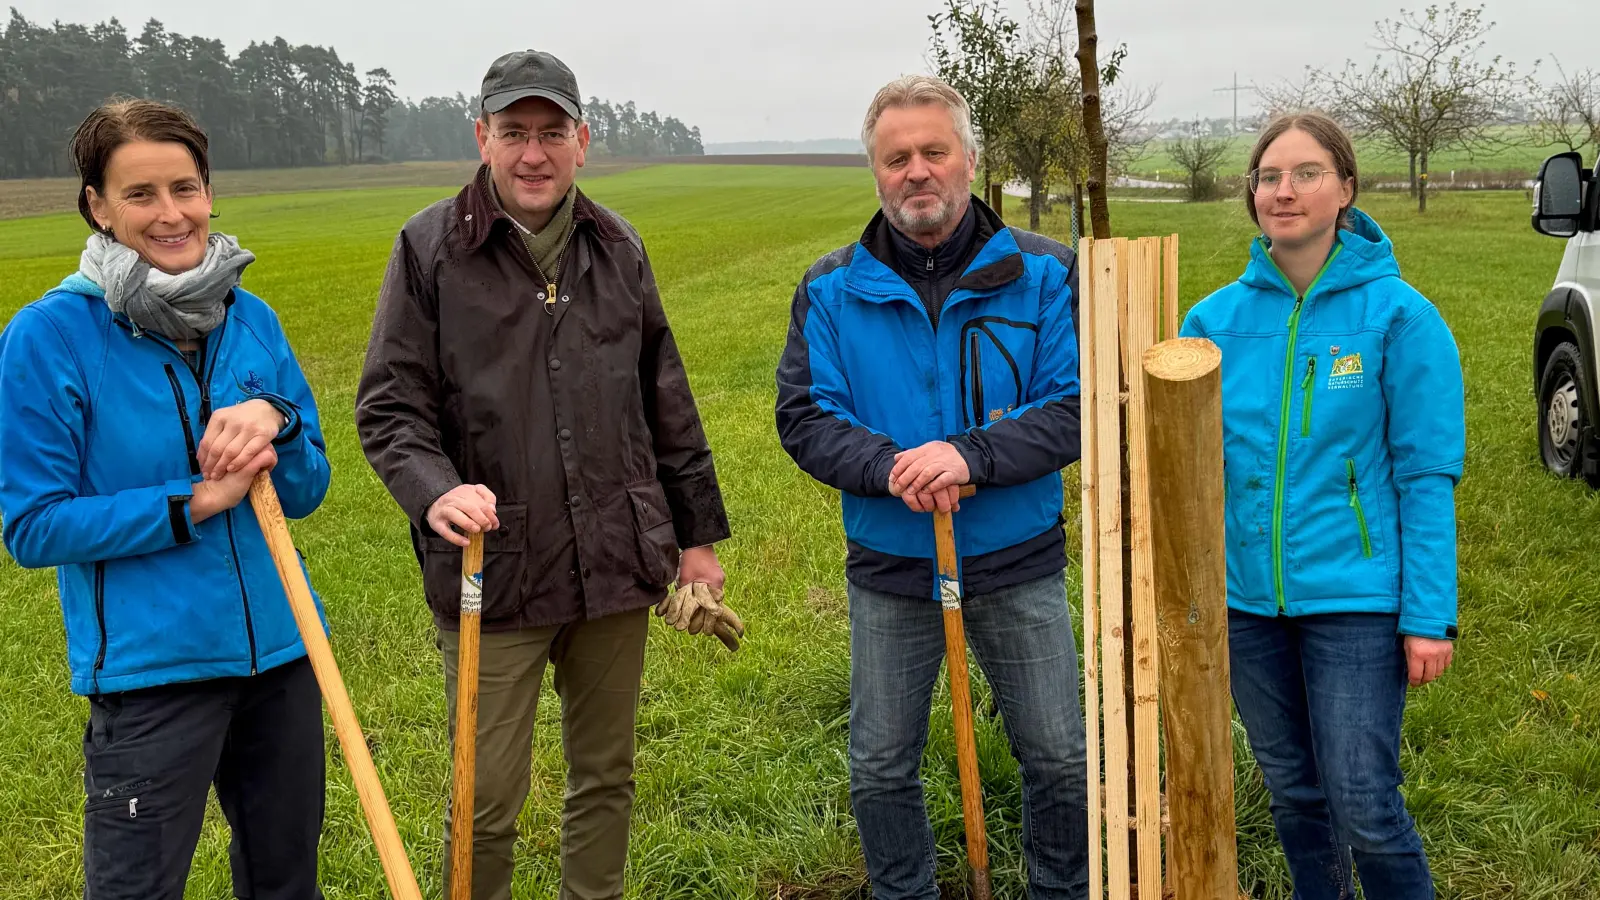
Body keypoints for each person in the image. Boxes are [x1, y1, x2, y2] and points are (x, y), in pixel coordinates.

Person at [355, 49, 736, 900]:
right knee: (486, 800)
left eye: (552, 132)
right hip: (499, 569)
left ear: (583, 140)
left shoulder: (617, 244)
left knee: (606, 777)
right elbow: (389, 407)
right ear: (482, 138)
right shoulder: (430, 249)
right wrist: (434, 489)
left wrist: (697, 539)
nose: (534, 153)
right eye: (515, 132)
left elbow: (664, 396)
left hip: (615, 560)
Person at [0, 99, 331, 899]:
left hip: (284, 659)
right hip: (154, 678)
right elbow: (32, 526)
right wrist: (193, 502)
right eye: (141, 194)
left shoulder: (251, 318)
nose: (171, 213)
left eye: (185, 188)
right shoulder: (49, 336)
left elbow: (308, 486)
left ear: (210, 192)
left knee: (287, 886)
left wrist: (277, 422)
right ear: (98, 206)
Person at [775, 74, 1088, 900]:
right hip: (892, 564)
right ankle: (904, 891)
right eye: (896, 158)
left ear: (970, 161)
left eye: (933, 152)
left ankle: (1059, 888)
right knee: (880, 763)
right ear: (876, 175)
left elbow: (1078, 404)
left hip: (1016, 557)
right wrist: (890, 467)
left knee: (1059, 754)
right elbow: (806, 417)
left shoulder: (1047, 274)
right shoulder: (832, 289)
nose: (916, 171)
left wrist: (970, 454)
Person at [1180, 111, 1464, 900]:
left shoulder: (1400, 316)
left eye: (1306, 173)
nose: (1284, 190)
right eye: (1268, 176)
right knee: (1295, 794)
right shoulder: (1211, 324)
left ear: (1345, 188)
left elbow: (1426, 475)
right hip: (1247, 605)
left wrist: (1427, 615)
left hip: (1357, 601)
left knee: (1365, 803)